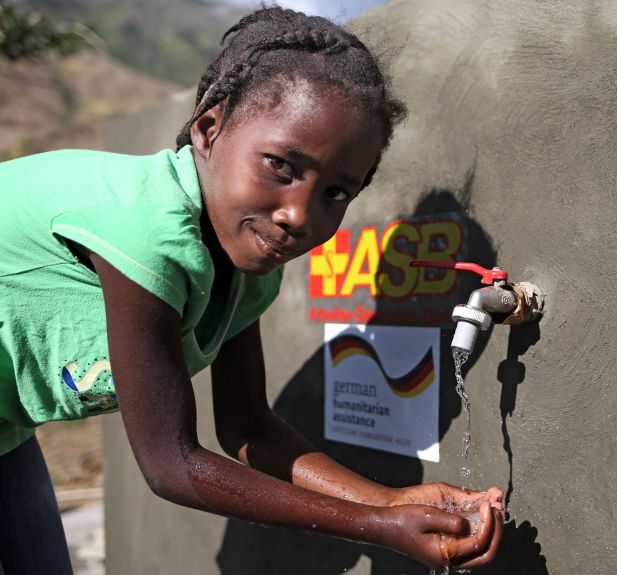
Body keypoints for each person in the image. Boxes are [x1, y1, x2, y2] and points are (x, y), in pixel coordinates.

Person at [0, 6, 503, 574]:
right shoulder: (145, 232)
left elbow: (247, 427)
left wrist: (389, 500)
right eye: (282, 167)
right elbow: (170, 463)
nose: (299, 215)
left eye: (336, 194)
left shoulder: (245, 268)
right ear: (208, 130)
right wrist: (379, 528)